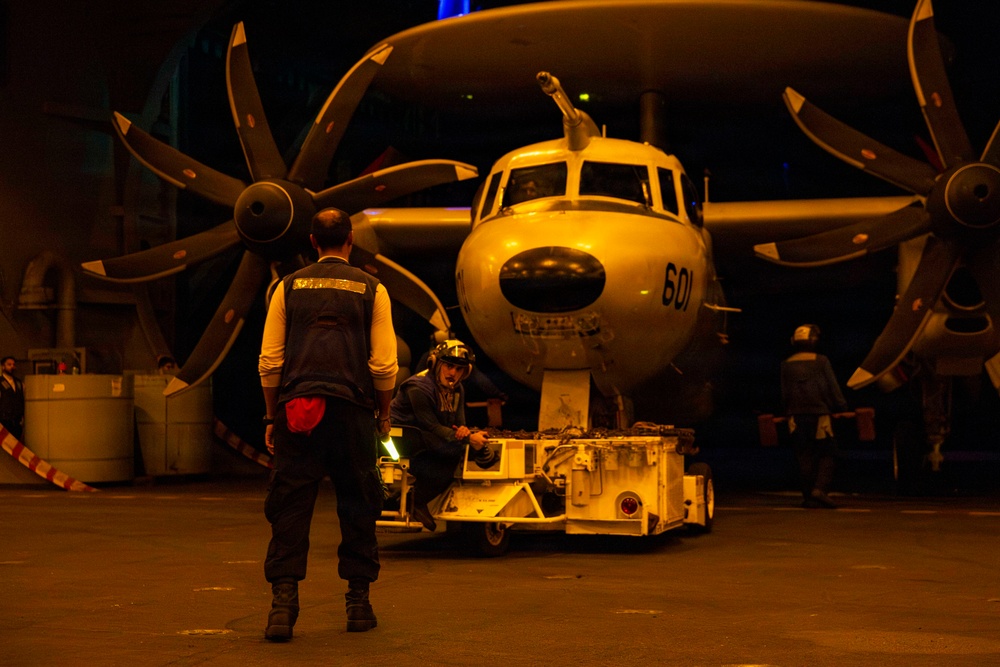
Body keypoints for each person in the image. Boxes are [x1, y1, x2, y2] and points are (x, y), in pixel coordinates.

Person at [258, 207, 398, 641]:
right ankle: (358, 603)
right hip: (353, 410)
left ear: (313, 243)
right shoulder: (373, 289)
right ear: (350, 239)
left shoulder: (286, 287)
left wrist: (271, 413)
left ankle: (283, 607)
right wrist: (384, 413)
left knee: (290, 504)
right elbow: (384, 365)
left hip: (298, 410)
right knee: (359, 502)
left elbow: (269, 361)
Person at [390, 339, 496, 531]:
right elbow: (431, 426)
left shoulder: (457, 390)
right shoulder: (418, 388)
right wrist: (468, 439)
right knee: (454, 452)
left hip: (427, 440)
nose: (453, 373)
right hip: (401, 441)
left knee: (455, 453)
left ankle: (412, 501)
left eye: (459, 369)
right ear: (435, 364)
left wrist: (465, 433)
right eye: (449, 366)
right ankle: (416, 501)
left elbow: (458, 424)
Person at [780, 324, 849, 509]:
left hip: (795, 416)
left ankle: (808, 496)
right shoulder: (821, 361)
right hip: (820, 415)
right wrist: (841, 406)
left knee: (804, 455)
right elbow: (832, 386)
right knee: (828, 453)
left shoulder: (786, 364)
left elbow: (784, 394)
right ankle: (820, 489)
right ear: (814, 341)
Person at [1, 356, 25, 441]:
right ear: (3, 366)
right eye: (9, 364)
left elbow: (22, 399)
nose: (12, 366)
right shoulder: (0, 382)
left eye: (13, 364)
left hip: (17, 420)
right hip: (4, 420)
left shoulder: (19, 382)